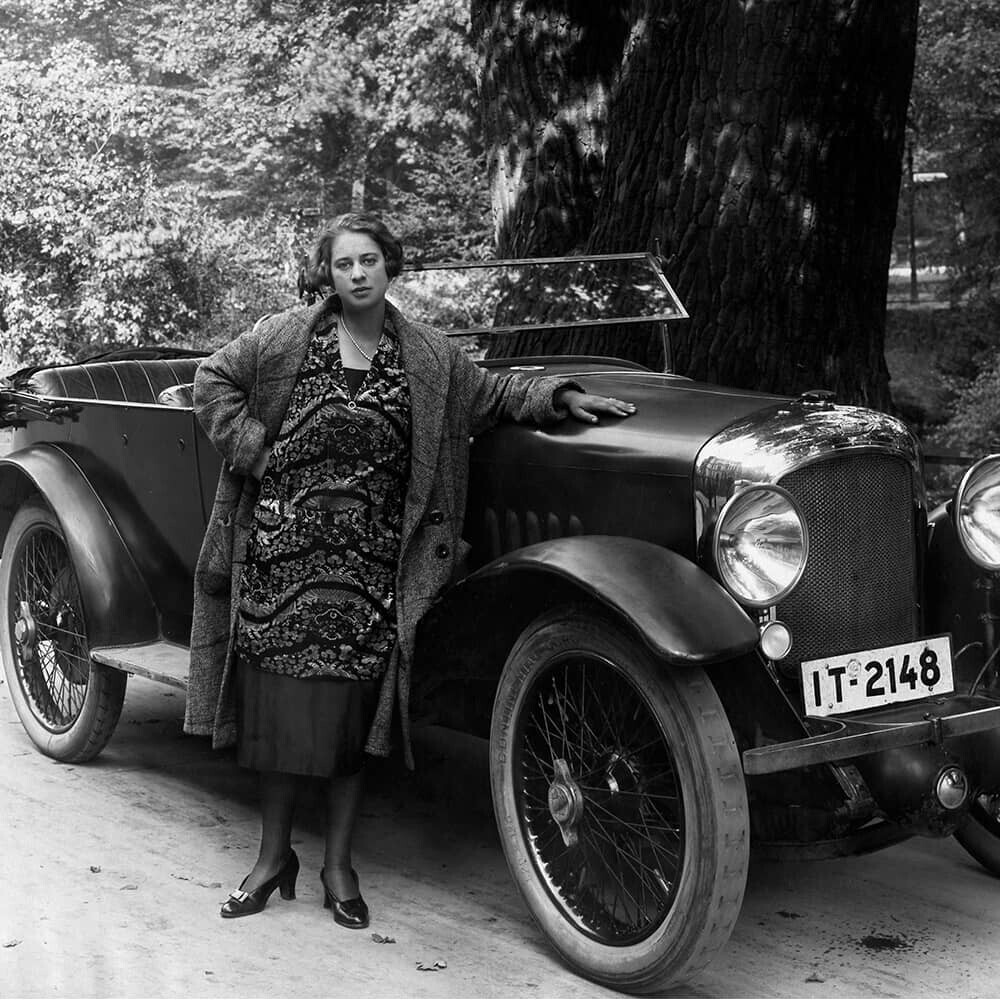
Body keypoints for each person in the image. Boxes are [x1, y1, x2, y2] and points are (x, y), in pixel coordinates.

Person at [183, 212, 636, 929]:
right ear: (327, 275)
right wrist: (255, 451)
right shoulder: (284, 337)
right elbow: (212, 379)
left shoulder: (428, 355)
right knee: (278, 721)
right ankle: (271, 860)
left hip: (373, 571)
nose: (357, 274)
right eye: (343, 264)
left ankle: (338, 867)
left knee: (352, 723)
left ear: (390, 267)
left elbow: (495, 395)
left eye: (368, 260)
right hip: (281, 561)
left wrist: (561, 396)